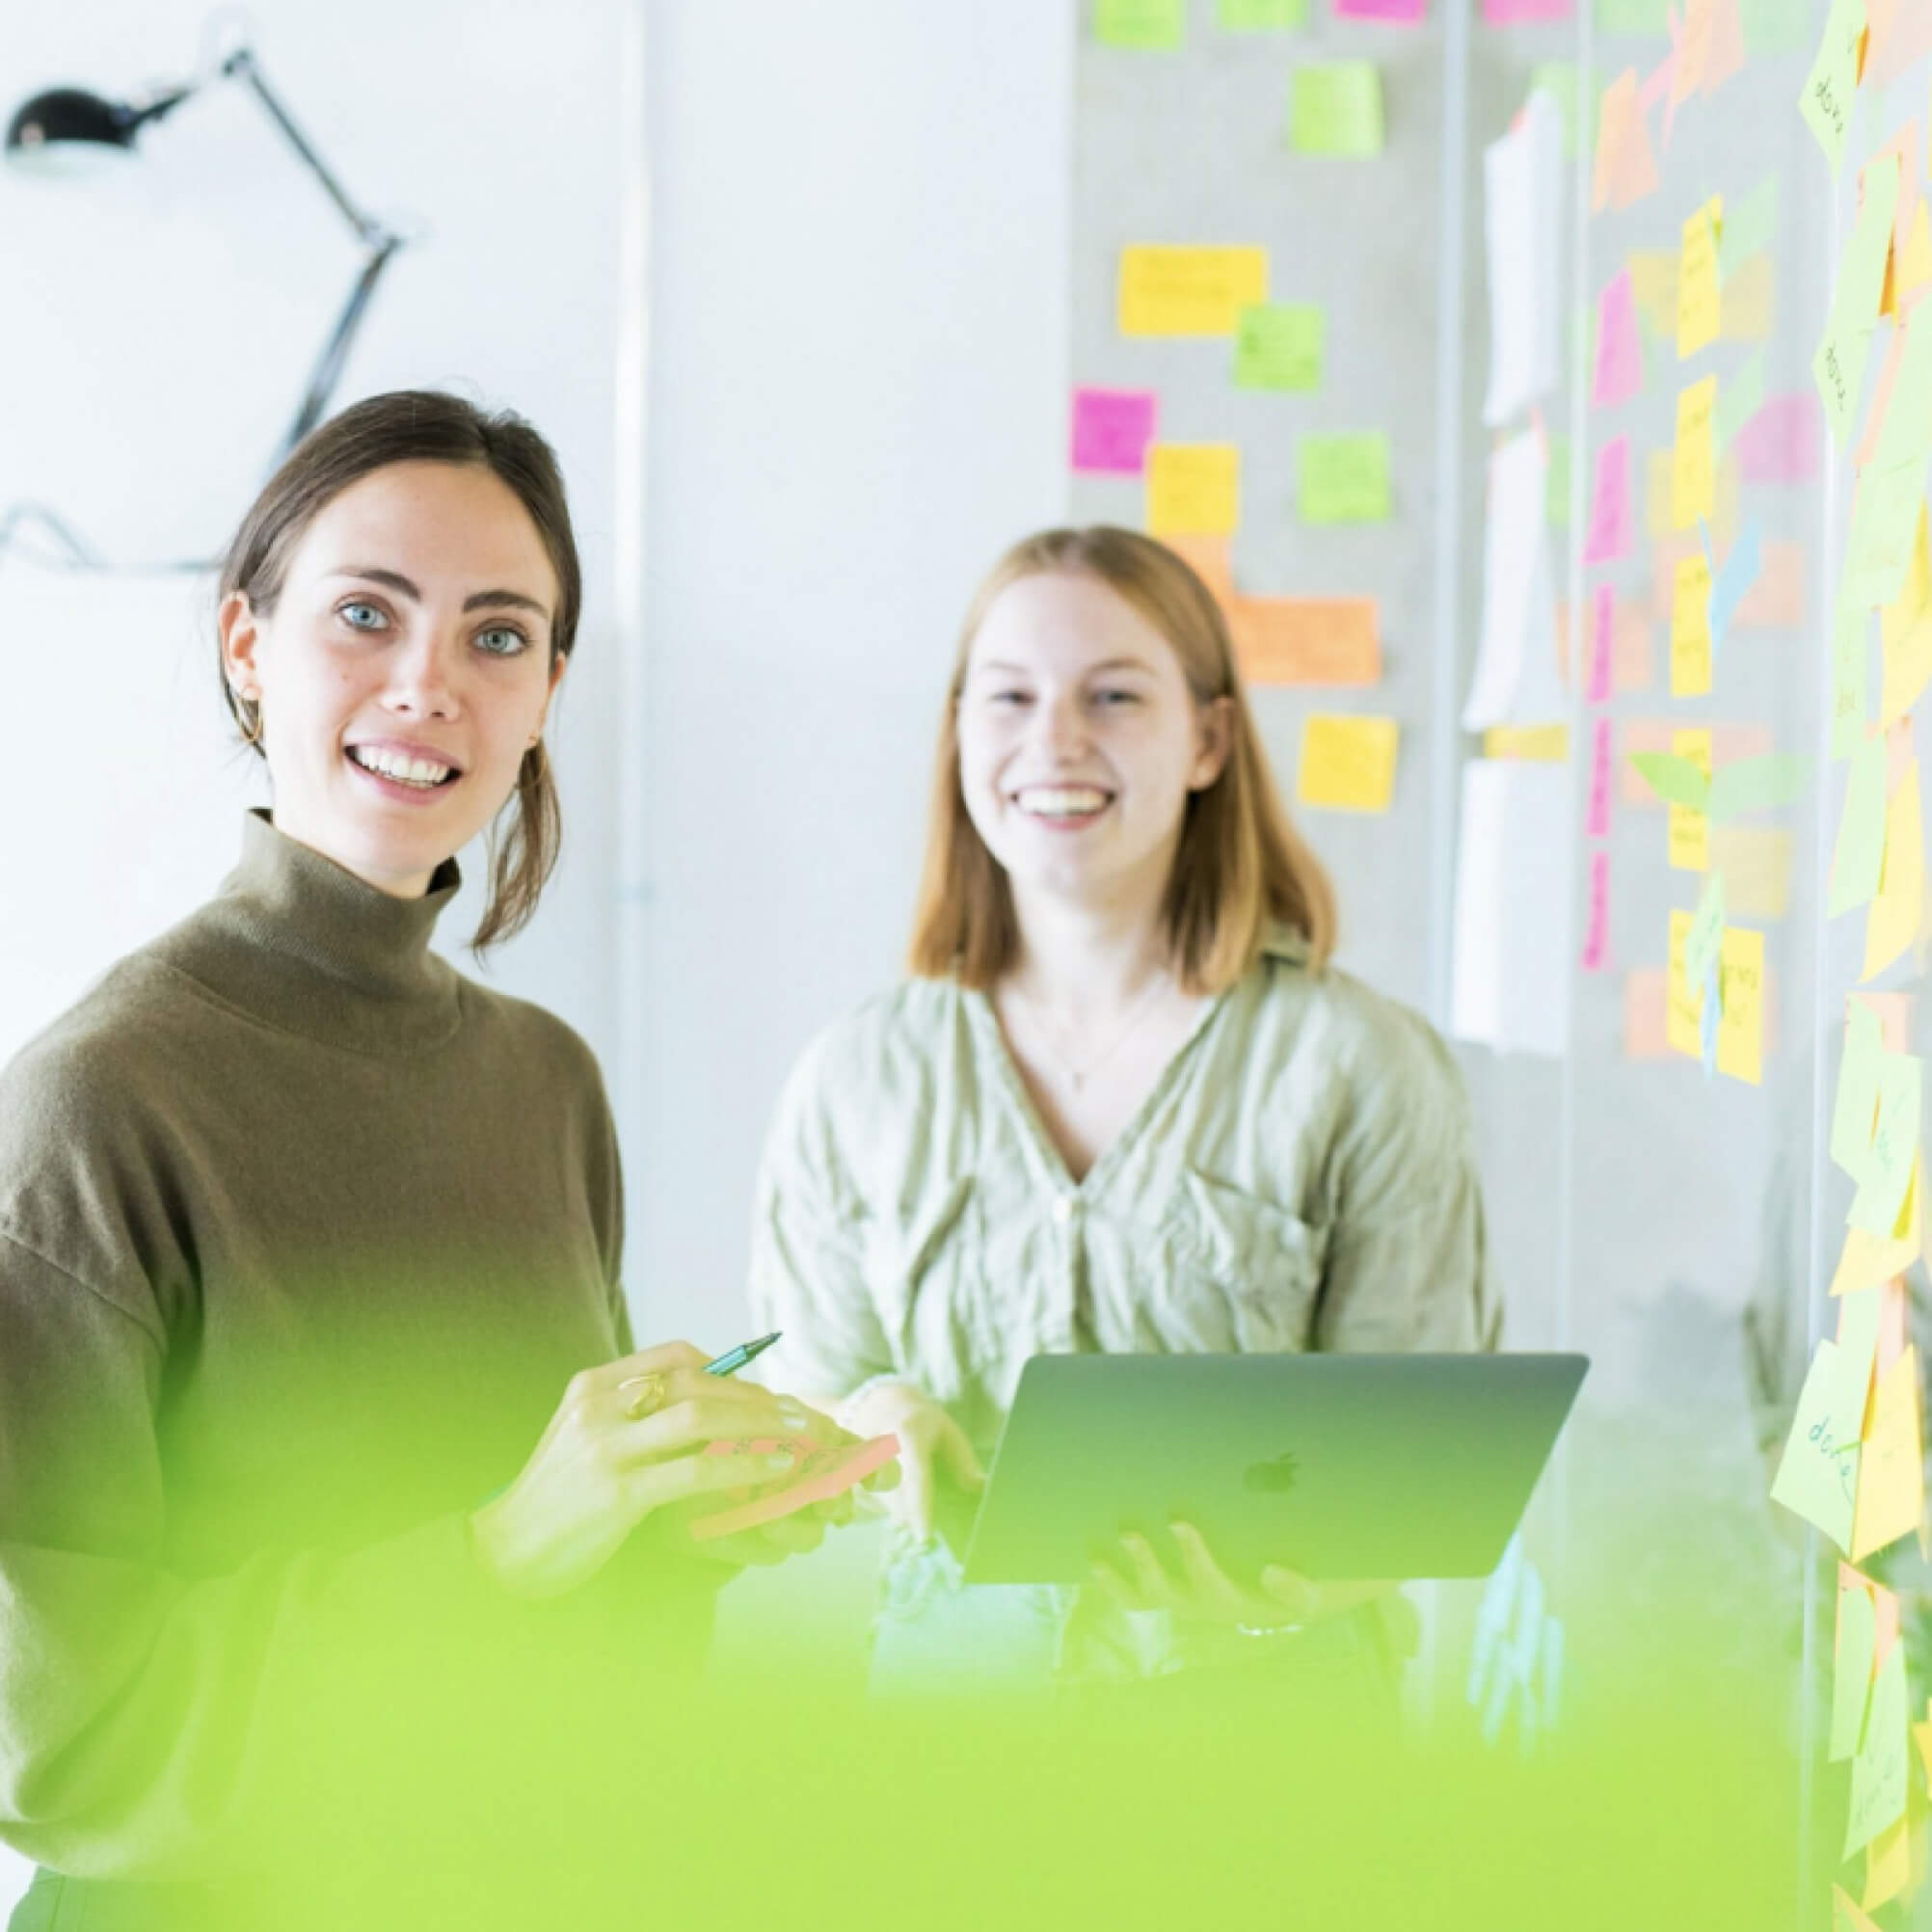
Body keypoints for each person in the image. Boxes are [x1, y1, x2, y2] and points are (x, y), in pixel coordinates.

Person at [0, 391, 877, 1931]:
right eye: (364, 614)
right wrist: (497, 1547)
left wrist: (681, 1526)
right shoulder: (97, 1102)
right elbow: (54, 1739)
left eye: (496, 636)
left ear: (546, 694)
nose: (429, 686)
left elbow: (558, 1619)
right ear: (247, 648)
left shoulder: (545, 1085)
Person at [747, 525, 1501, 1696]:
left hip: (1277, 1774)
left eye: (1113, 696)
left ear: (1207, 740)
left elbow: (1422, 1463)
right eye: (1009, 697)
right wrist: (870, 1422)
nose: (1054, 740)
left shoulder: (1359, 1065)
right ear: (959, 737)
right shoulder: (857, 1080)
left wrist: (1300, 1577)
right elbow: (797, 1420)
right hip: (947, 1760)